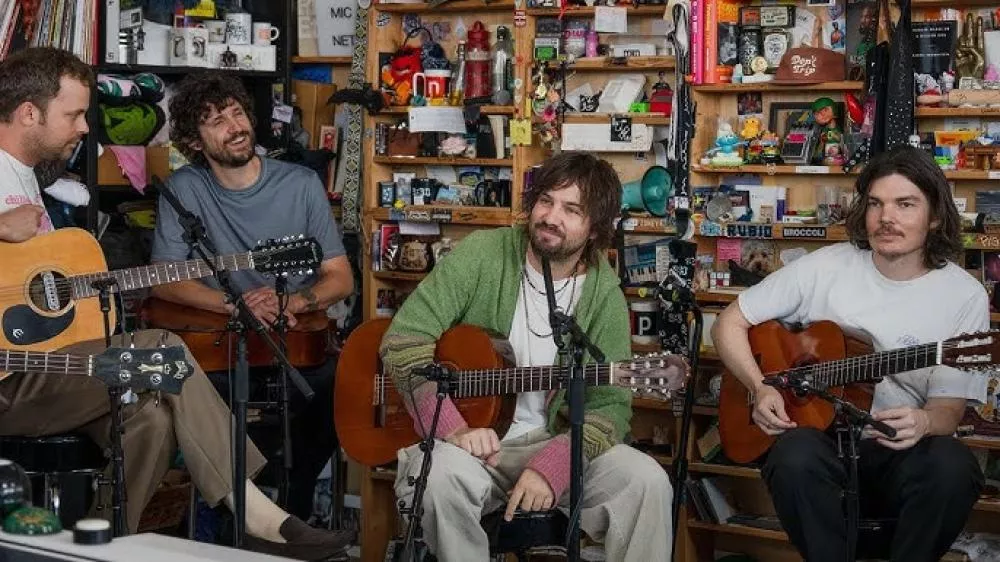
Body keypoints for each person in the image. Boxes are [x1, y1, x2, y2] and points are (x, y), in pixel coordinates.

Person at [0, 47, 352, 560]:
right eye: (74, 114)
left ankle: (95, 543)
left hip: (42, 367)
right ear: (30, 113)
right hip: (11, 379)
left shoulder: (26, 175)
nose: (83, 128)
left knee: (153, 418)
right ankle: (259, 517)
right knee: (162, 351)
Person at [380, 152, 683, 561]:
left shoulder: (602, 292)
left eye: (571, 209)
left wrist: (556, 462)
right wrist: (453, 428)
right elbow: (402, 342)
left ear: (595, 229)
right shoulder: (484, 254)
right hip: (469, 444)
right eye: (546, 201)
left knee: (647, 481)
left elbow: (611, 405)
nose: (551, 217)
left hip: (554, 440)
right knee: (437, 476)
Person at [712, 145, 987, 562]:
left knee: (953, 466)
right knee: (793, 454)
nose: (886, 218)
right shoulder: (825, 267)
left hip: (897, 451)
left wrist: (926, 421)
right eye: (875, 204)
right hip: (823, 445)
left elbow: (947, 410)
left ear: (934, 217)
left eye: (905, 204)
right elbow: (728, 322)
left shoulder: (963, 295)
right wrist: (759, 387)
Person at [149, 71, 354, 522]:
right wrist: (234, 306)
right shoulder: (184, 191)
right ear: (194, 141)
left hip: (294, 339)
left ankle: (292, 514)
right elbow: (164, 280)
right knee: (197, 396)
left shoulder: (300, 183)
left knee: (337, 391)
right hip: (223, 343)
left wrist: (294, 302)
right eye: (216, 120)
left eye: (237, 112)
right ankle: (233, 520)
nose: (235, 126)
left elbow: (340, 277)